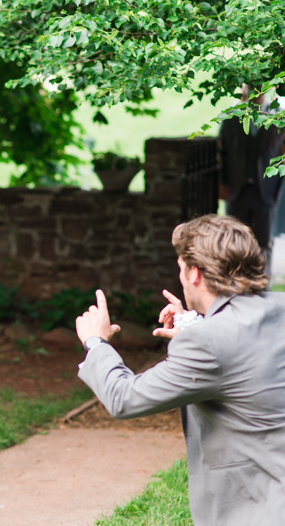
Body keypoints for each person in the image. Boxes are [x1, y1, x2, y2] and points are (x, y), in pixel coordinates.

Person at [75, 214, 285, 526]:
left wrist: (96, 342)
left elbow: (124, 398)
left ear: (195, 274)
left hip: (262, 508)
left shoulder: (209, 342)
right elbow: (247, 350)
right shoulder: (277, 307)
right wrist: (197, 324)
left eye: (181, 270)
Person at [219, 84, 285, 266]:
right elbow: (222, 152)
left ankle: (263, 284)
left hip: (268, 190)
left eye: (261, 86)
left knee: (264, 241)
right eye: (252, 86)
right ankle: (238, 282)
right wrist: (222, 183)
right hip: (237, 188)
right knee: (235, 240)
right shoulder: (232, 116)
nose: (257, 90)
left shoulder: (279, 116)